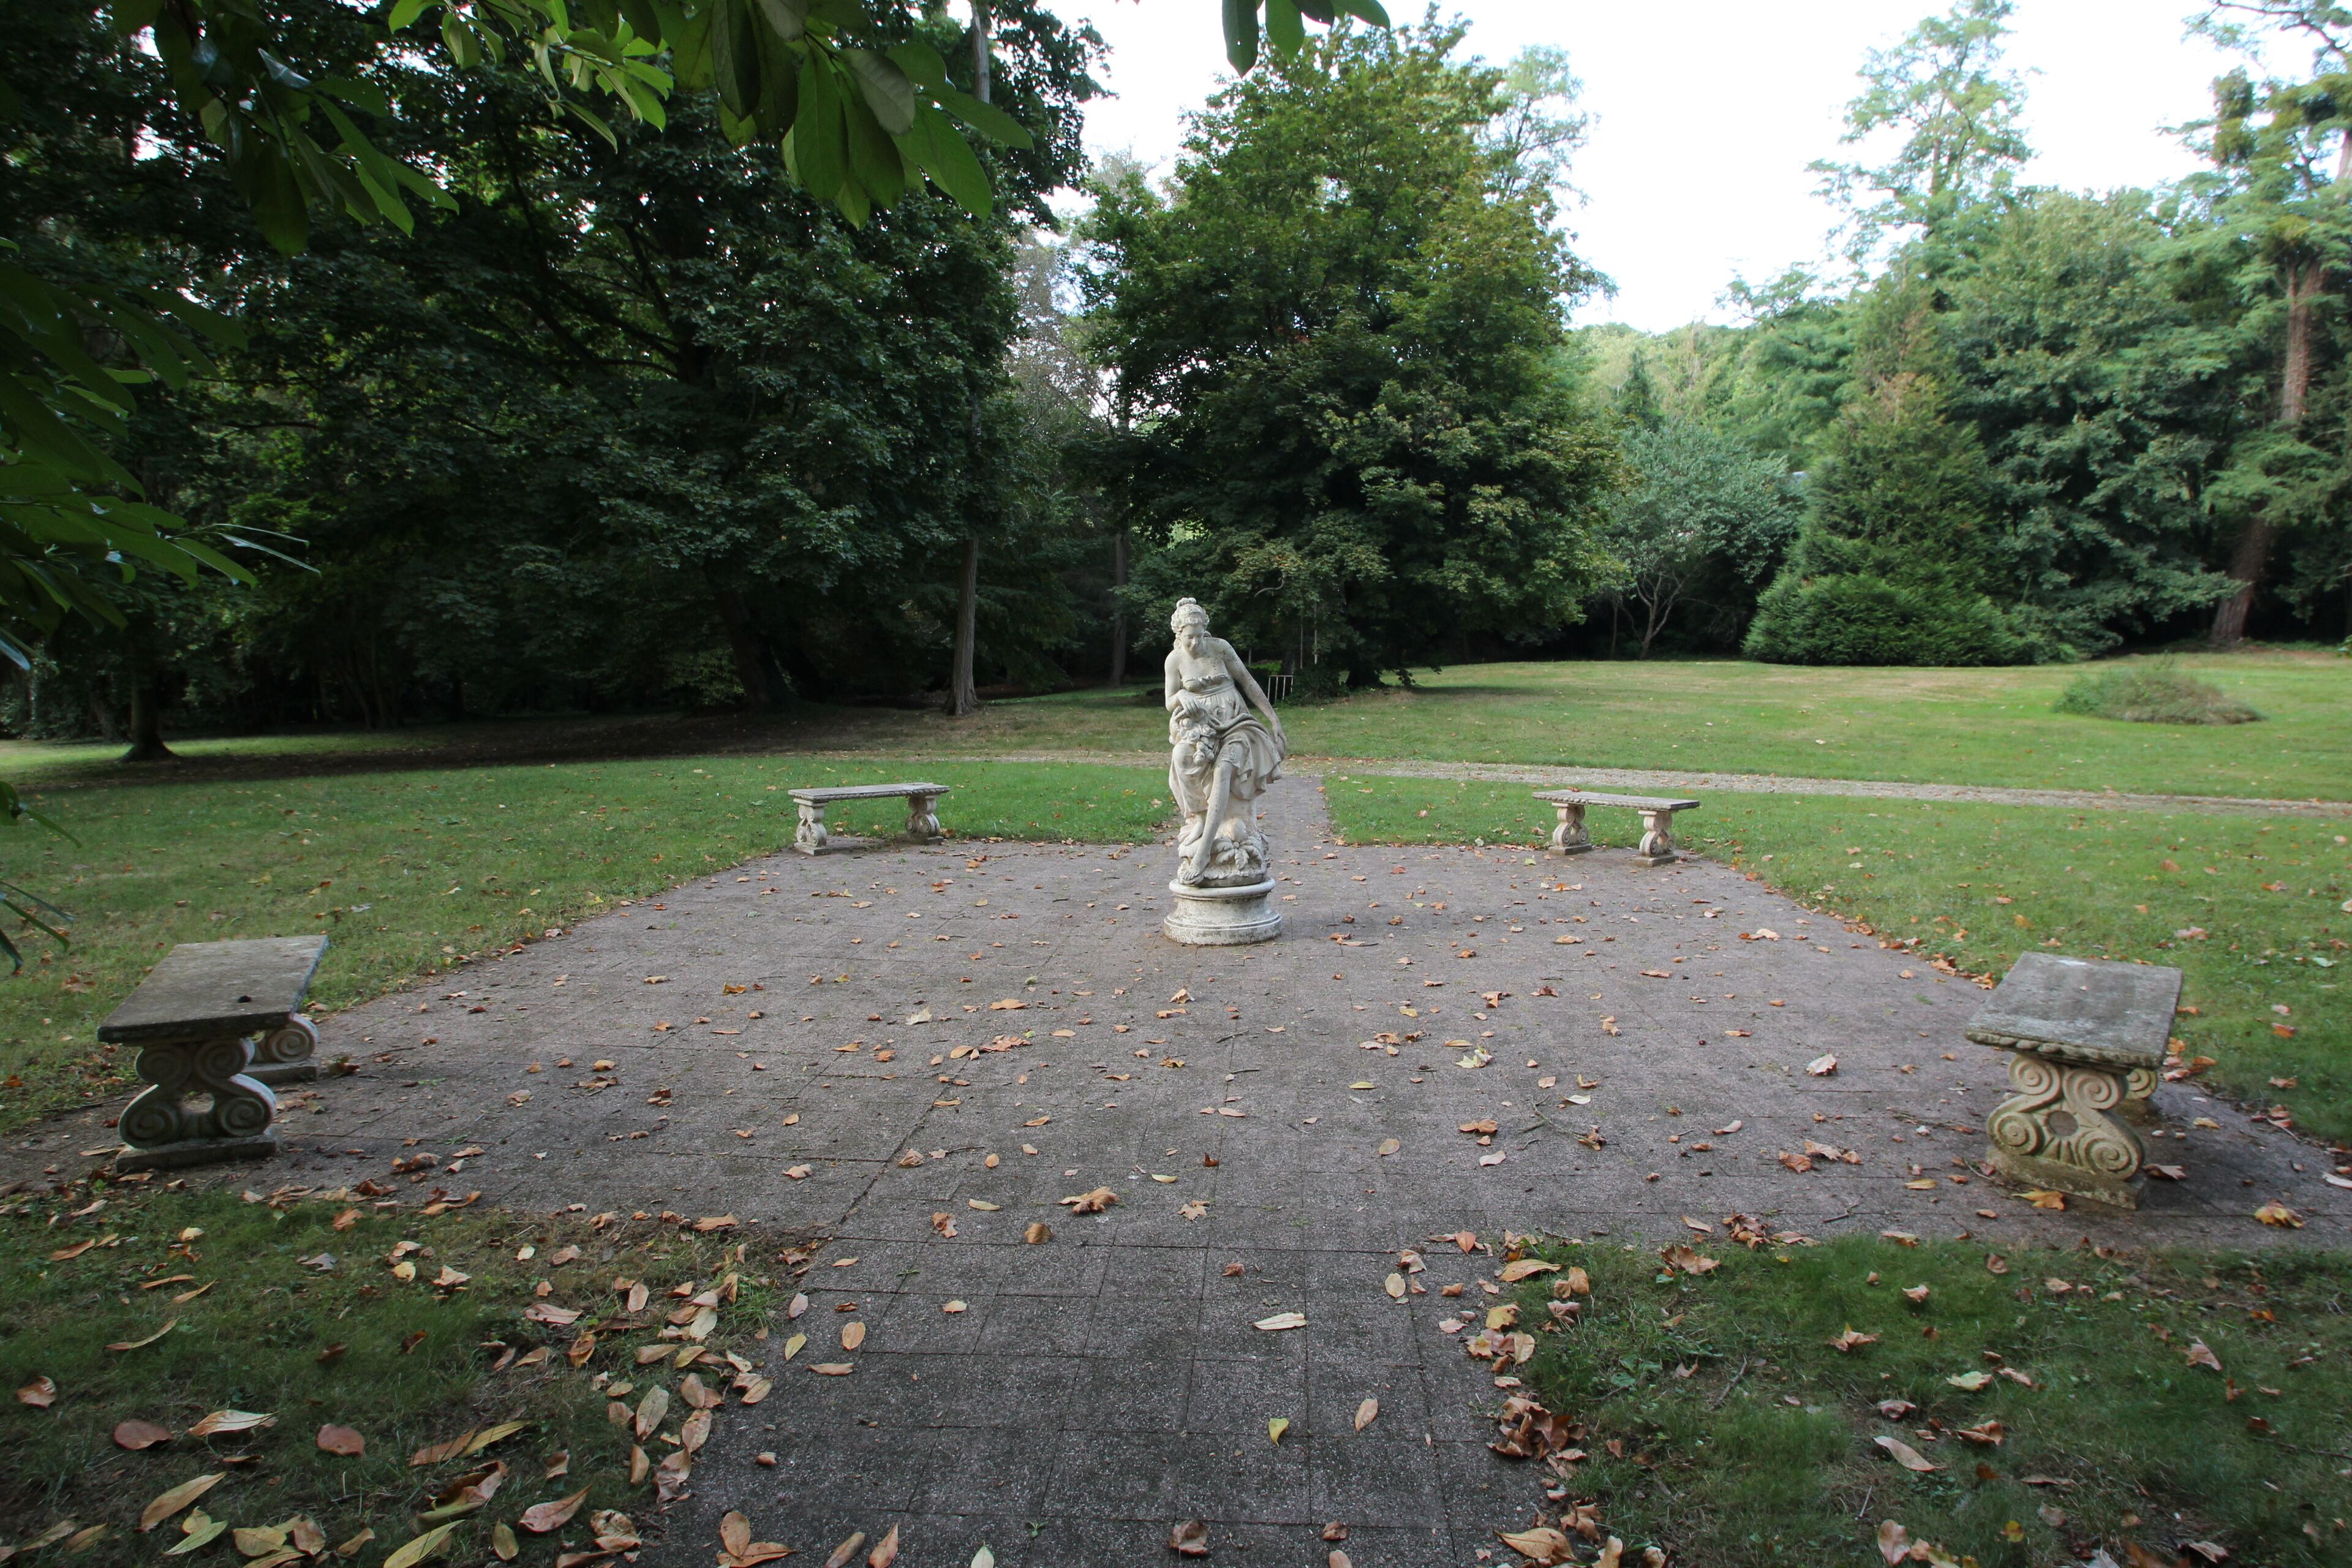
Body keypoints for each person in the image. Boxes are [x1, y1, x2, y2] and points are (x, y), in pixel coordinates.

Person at [1163, 597, 1286, 885]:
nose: (1194, 643)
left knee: (1223, 770)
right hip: (1199, 726)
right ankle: (1201, 819)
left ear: (1205, 630)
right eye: (1187, 638)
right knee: (1181, 757)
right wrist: (1181, 696)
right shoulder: (1175, 659)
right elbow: (1169, 700)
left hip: (1234, 722)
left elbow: (1248, 682)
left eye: (1198, 636)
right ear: (1179, 635)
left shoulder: (1220, 649)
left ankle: (1205, 851)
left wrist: (1273, 719)